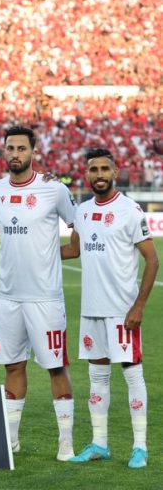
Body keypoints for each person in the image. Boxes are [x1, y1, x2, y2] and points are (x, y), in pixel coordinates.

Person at [62, 148, 158, 469]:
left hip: (122, 311)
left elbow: (152, 260)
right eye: (93, 169)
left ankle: (140, 447)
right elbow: (73, 250)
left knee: (133, 376)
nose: (99, 174)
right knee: (97, 378)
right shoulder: (83, 212)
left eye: (105, 168)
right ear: (87, 174)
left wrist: (138, 306)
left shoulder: (130, 211)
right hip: (91, 310)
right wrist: (33, 247)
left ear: (115, 172)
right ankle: (99, 444)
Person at [0, 126, 76, 461]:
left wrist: (52, 254)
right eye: (10, 148)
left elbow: (77, 234)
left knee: (56, 367)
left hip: (45, 298)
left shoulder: (53, 189)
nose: (15, 153)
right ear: (4, 151)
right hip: (8, 297)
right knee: (12, 367)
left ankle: (65, 441)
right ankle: (11, 439)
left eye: (21, 148)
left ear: (33, 151)